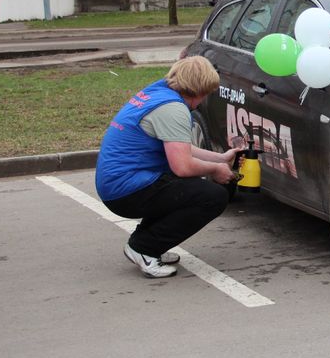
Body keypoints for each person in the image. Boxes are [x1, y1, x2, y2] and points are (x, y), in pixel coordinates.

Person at [95, 56, 240, 278]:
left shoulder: (159, 92)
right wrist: (215, 170)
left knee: (183, 189)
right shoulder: (173, 109)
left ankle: (145, 244)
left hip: (119, 182)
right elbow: (183, 166)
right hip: (125, 191)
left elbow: (180, 146)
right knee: (212, 196)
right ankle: (144, 248)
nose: (203, 100)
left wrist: (220, 158)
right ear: (197, 90)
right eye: (205, 94)